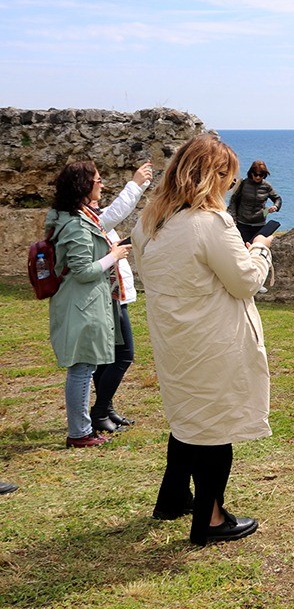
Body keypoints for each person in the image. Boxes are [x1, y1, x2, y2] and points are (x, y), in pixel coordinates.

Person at [133, 134, 272, 546]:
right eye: (227, 177)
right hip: (213, 338)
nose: (231, 185)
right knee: (214, 427)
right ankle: (210, 520)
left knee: (188, 414)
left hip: (174, 335)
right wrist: (260, 250)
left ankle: (173, 497)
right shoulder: (211, 223)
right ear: (212, 177)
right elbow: (245, 281)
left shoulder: (149, 221)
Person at [46, 161, 131, 448]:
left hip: (85, 302)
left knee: (84, 367)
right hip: (82, 304)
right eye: (97, 180)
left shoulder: (75, 217)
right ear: (84, 186)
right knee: (82, 367)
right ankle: (80, 432)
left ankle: (81, 429)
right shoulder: (76, 224)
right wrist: (114, 256)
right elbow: (82, 271)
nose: (102, 183)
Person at [88, 160, 154, 433]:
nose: (101, 184)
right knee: (124, 355)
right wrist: (136, 184)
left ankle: (107, 408)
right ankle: (100, 410)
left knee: (111, 356)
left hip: (114, 292)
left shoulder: (92, 215)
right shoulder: (86, 217)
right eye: (97, 180)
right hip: (109, 295)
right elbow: (116, 213)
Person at [228, 160, 282, 244]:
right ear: (251, 173)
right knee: (243, 248)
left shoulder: (267, 186)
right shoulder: (243, 184)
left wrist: (275, 207)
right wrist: (233, 218)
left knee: (256, 248)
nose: (258, 177)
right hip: (242, 223)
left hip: (260, 223)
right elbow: (233, 201)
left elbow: (277, 199)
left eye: (261, 175)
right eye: (256, 174)